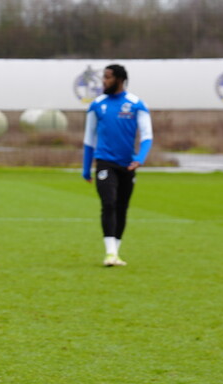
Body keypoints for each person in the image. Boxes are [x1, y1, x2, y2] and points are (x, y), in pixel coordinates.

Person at [82, 64, 153, 267]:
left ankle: (115, 253)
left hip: (127, 164)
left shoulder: (136, 104)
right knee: (109, 203)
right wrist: (86, 168)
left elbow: (147, 136)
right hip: (104, 161)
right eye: (103, 77)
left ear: (119, 80)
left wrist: (140, 158)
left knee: (122, 207)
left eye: (107, 77)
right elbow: (89, 139)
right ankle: (110, 253)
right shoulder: (97, 105)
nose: (103, 81)